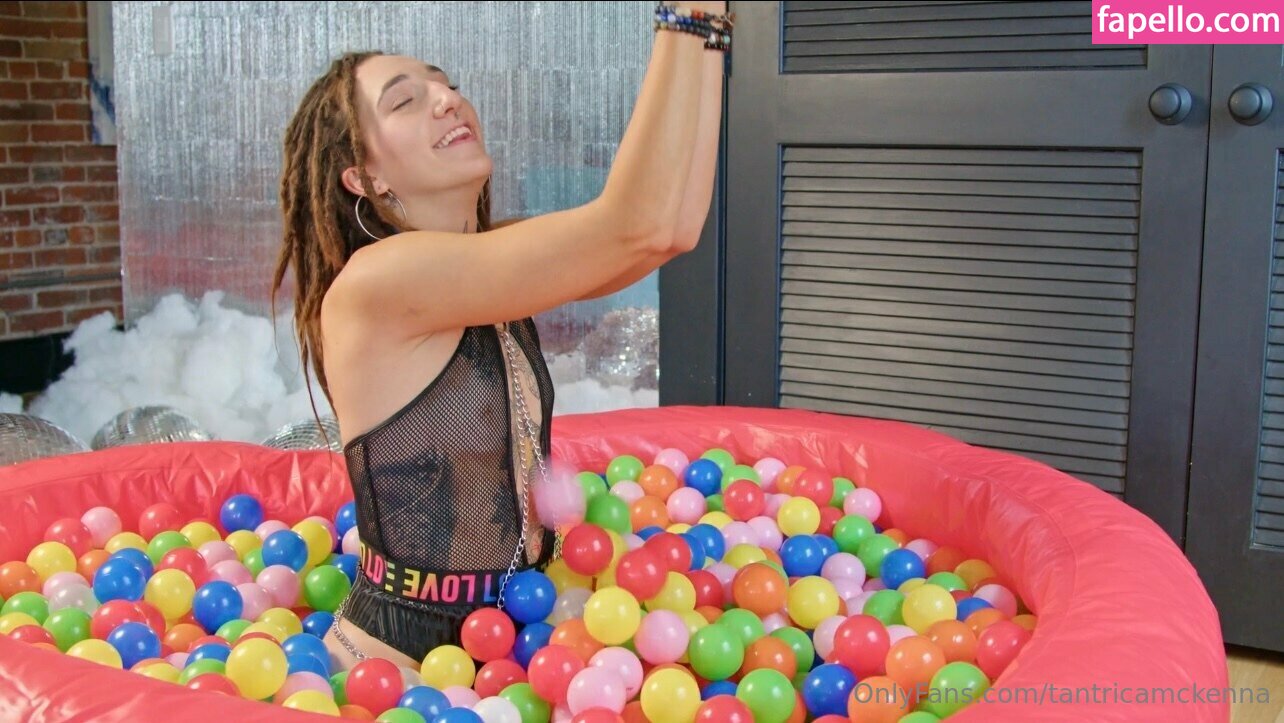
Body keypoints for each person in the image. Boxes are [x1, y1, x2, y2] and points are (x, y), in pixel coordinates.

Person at [271, 2, 731, 672]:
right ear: (365, 176)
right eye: (405, 101)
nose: (447, 100)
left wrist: (712, 31)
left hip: (515, 643)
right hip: (399, 667)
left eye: (445, 84)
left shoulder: (485, 261)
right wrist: (683, 16)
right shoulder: (381, 280)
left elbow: (673, 228)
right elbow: (636, 223)